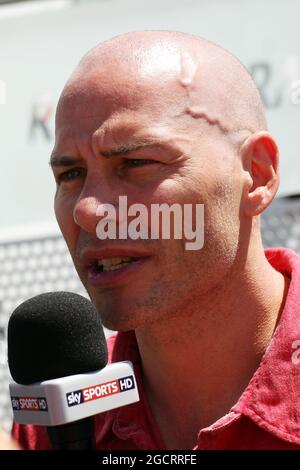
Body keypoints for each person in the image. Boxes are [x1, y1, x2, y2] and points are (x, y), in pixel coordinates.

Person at [13, 31, 300, 450]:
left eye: (136, 162)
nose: (88, 211)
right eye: (70, 174)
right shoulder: (56, 425)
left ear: (256, 175)